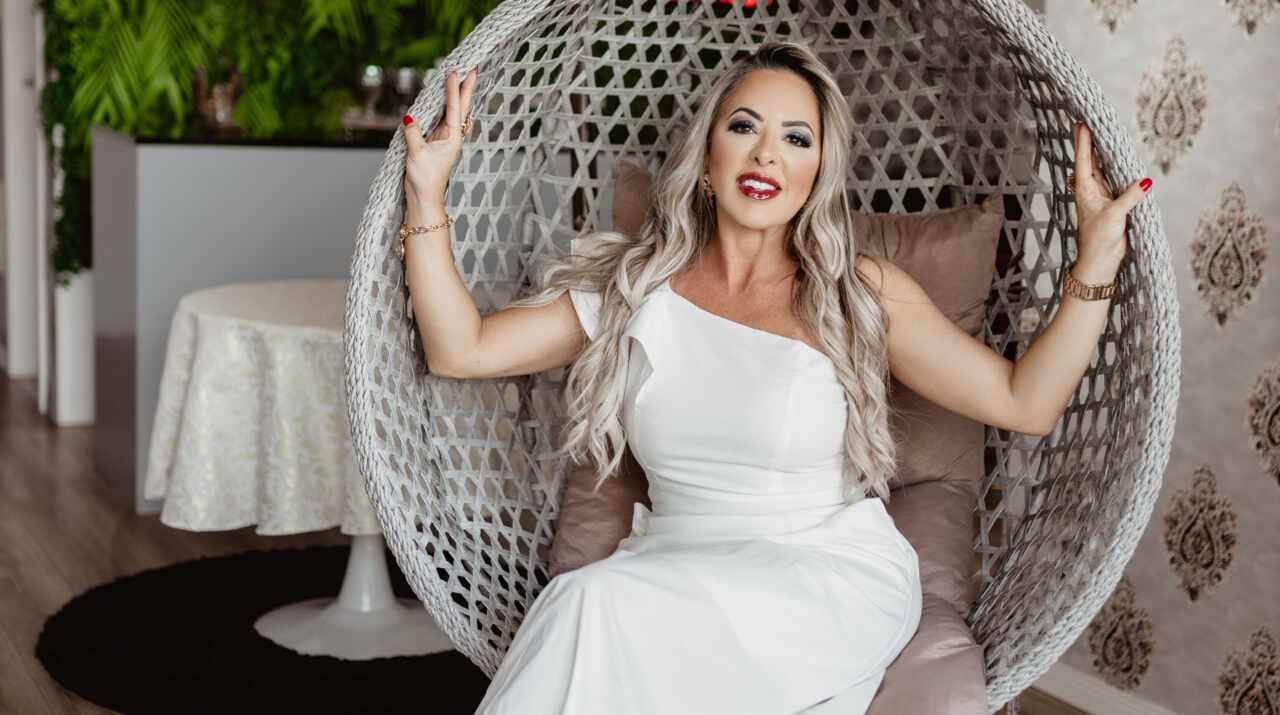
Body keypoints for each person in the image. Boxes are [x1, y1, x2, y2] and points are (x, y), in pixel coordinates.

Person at [399, 42, 1152, 715]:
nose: (767, 155)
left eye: (796, 138)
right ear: (707, 155)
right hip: (673, 569)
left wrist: (1094, 263)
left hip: (823, 579)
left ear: (818, 170)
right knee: (588, 602)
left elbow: (1025, 403)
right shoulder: (632, 290)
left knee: (590, 605)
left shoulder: (858, 293)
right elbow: (460, 350)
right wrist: (427, 195)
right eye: (744, 127)